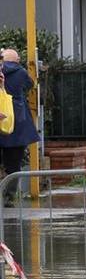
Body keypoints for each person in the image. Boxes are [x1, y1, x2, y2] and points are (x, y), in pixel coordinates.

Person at [0, 51, 37, 206]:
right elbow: (31, 84)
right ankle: (8, 198)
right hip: (16, 125)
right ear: (17, 60)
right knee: (14, 164)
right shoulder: (21, 72)